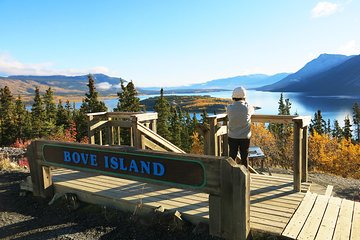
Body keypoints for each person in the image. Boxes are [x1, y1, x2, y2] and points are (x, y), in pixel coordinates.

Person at [226, 86, 255, 167]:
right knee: (244, 157)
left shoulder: (229, 108)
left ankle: (231, 175)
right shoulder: (248, 108)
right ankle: (245, 176)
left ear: (233, 97)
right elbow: (252, 110)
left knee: (232, 157)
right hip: (245, 137)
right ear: (244, 97)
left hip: (232, 136)